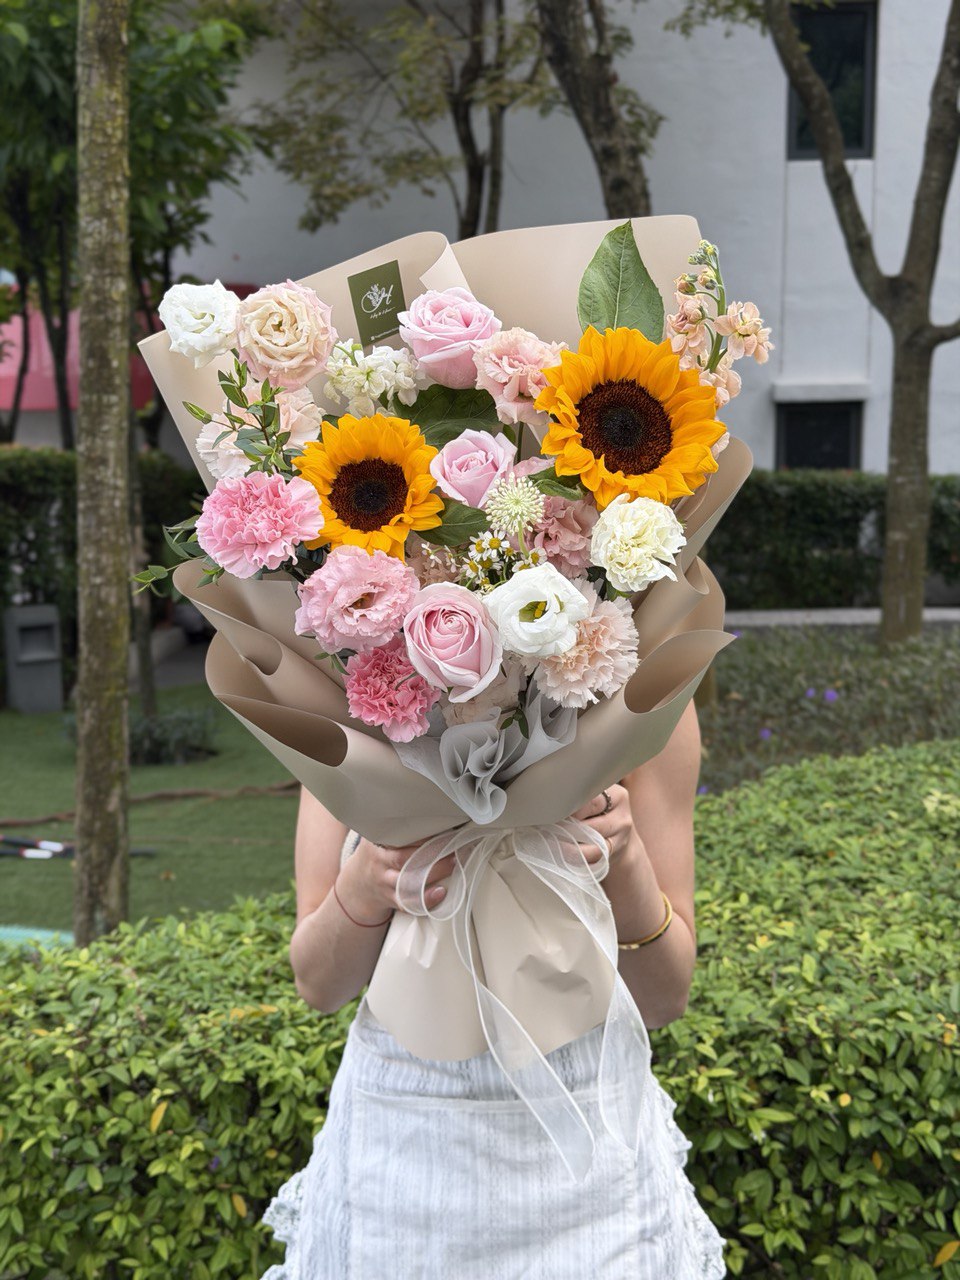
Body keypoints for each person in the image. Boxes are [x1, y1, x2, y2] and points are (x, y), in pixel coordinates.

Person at [259, 699, 727, 1279]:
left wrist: (623, 856)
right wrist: (364, 886)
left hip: (593, 1152)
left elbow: (665, 997)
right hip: (399, 1154)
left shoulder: (644, 700)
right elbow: (318, 984)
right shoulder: (347, 699)